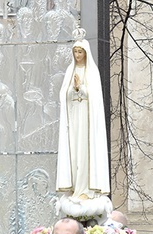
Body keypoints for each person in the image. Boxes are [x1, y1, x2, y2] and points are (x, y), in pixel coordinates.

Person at [55, 30, 110, 216]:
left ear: (85, 53)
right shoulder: (70, 71)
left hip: (88, 123)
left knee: (86, 154)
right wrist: (73, 89)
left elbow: (94, 98)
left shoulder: (92, 72)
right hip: (74, 120)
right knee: (75, 154)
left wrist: (81, 88)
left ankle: (86, 189)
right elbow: (64, 95)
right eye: (75, 52)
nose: (78, 55)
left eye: (80, 52)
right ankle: (77, 189)